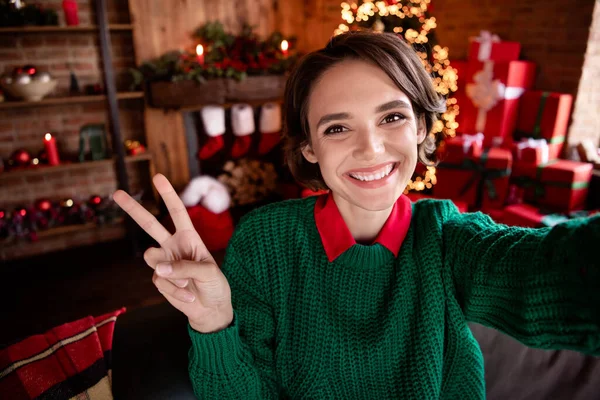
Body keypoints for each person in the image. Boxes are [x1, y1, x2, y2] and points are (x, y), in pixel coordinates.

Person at [112, 31, 600, 399]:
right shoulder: (266, 243)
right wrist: (212, 321)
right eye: (338, 127)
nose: (371, 149)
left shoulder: (451, 238)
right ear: (308, 148)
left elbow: (557, 276)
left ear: (421, 126)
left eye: (392, 117)